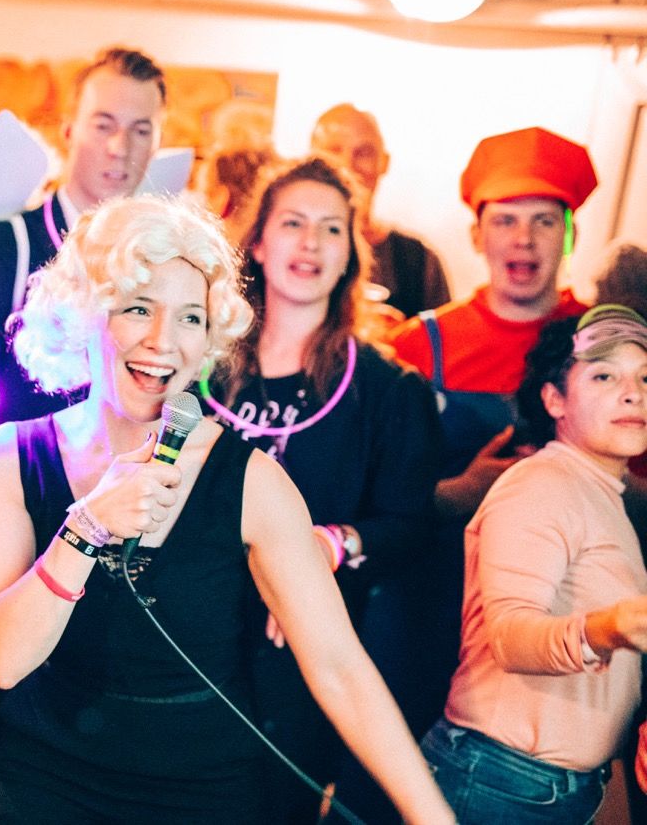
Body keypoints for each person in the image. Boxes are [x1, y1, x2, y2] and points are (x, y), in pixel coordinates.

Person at [0, 194, 454, 823]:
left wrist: (432, 816)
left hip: (204, 792)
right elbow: (4, 660)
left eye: (190, 318)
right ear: (85, 314)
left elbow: (338, 667)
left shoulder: (254, 483)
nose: (162, 342)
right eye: (137, 308)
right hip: (45, 785)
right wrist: (87, 524)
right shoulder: (6, 458)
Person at [0, 45, 170, 820]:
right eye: (105, 124)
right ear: (70, 128)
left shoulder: (158, 260)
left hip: (109, 527)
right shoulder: (1, 244)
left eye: (140, 130)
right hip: (0, 519)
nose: (120, 149)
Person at [202, 157, 441, 821]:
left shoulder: (388, 390)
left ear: (350, 256)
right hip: (191, 637)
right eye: (293, 223)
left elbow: (410, 526)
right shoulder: (200, 363)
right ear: (258, 242)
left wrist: (328, 545)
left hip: (297, 661)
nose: (309, 242)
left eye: (330, 229)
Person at [385, 126, 595, 742]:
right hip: (427, 603)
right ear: (478, 235)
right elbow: (376, 496)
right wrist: (462, 488)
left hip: (559, 614)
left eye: (544, 220)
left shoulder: (606, 346)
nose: (523, 239)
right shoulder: (415, 347)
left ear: (569, 234)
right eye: (505, 220)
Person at [422, 304, 647, 823]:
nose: (632, 391)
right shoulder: (542, 484)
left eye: (643, 376)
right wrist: (611, 627)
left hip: (546, 785)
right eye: (605, 375)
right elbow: (510, 636)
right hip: (501, 780)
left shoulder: (599, 493)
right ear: (554, 398)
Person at [311, 103, 450, 320]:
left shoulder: (418, 262)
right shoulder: (289, 249)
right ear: (311, 161)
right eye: (334, 151)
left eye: (364, 152)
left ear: (384, 163)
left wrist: (403, 338)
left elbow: (442, 347)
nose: (348, 165)